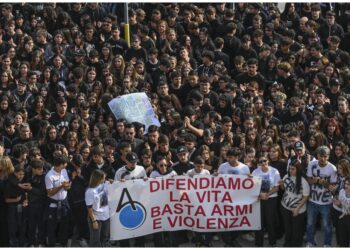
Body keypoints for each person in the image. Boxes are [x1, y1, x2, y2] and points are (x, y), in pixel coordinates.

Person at [306, 145, 337, 247]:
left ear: (328, 156)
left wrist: (324, 183)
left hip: (326, 202)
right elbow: (309, 180)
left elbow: (333, 187)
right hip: (312, 200)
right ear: (317, 155)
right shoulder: (312, 164)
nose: (323, 158)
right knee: (310, 223)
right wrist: (317, 180)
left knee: (327, 225)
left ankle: (327, 244)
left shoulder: (332, 168)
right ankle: (310, 241)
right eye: (320, 156)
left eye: (325, 156)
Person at [280, 159, 310, 247]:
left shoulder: (303, 181)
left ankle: (296, 245)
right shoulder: (286, 176)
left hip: (298, 210)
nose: (290, 171)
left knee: (296, 230)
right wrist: (282, 184)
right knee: (287, 228)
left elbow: (306, 196)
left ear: (298, 169)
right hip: (285, 207)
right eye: (290, 169)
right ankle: (287, 243)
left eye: (293, 169)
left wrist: (297, 208)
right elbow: (284, 189)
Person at [252, 155, 280, 247]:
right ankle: (258, 244)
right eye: (260, 162)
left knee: (270, 221)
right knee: (259, 221)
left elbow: (277, 187)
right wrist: (260, 194)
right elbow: (253, 187)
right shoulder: (255, 172)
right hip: (259, 198)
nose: (263, 163)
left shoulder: (275, 171)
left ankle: (272, 242)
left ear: (268, 161)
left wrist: (267, 194)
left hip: (271, 198)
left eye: (265, 161)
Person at [45, 155, 71, 247]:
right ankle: (51, 244)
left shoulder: (64, 171)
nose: (66, 165)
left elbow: (68, 185)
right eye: (64, 164)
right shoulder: (49, 176)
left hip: (64, 202)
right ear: (59, 165)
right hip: (53, 204)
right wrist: (61, 186)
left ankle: (63, 243)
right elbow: (50, 193)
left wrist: (67, 186)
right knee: (52, 226)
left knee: (64, 224)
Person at [85, 169, 110, 247]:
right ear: (98, 178)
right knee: (95, 241)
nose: (104, 179)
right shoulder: (90, 191)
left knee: (105, 238)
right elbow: (89, 208)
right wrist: (94, 221)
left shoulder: (104, 184)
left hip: (106, 217)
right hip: (96, 218)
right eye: (103, 178)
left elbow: (113, 183)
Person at [333, 176, 350, 247]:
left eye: (348, 184)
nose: (346, 186)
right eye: (345, 183)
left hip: (347, 216)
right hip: (343, 218)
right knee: (343, 240)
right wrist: (337, 203)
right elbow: (341, 205)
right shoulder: (342, 191)